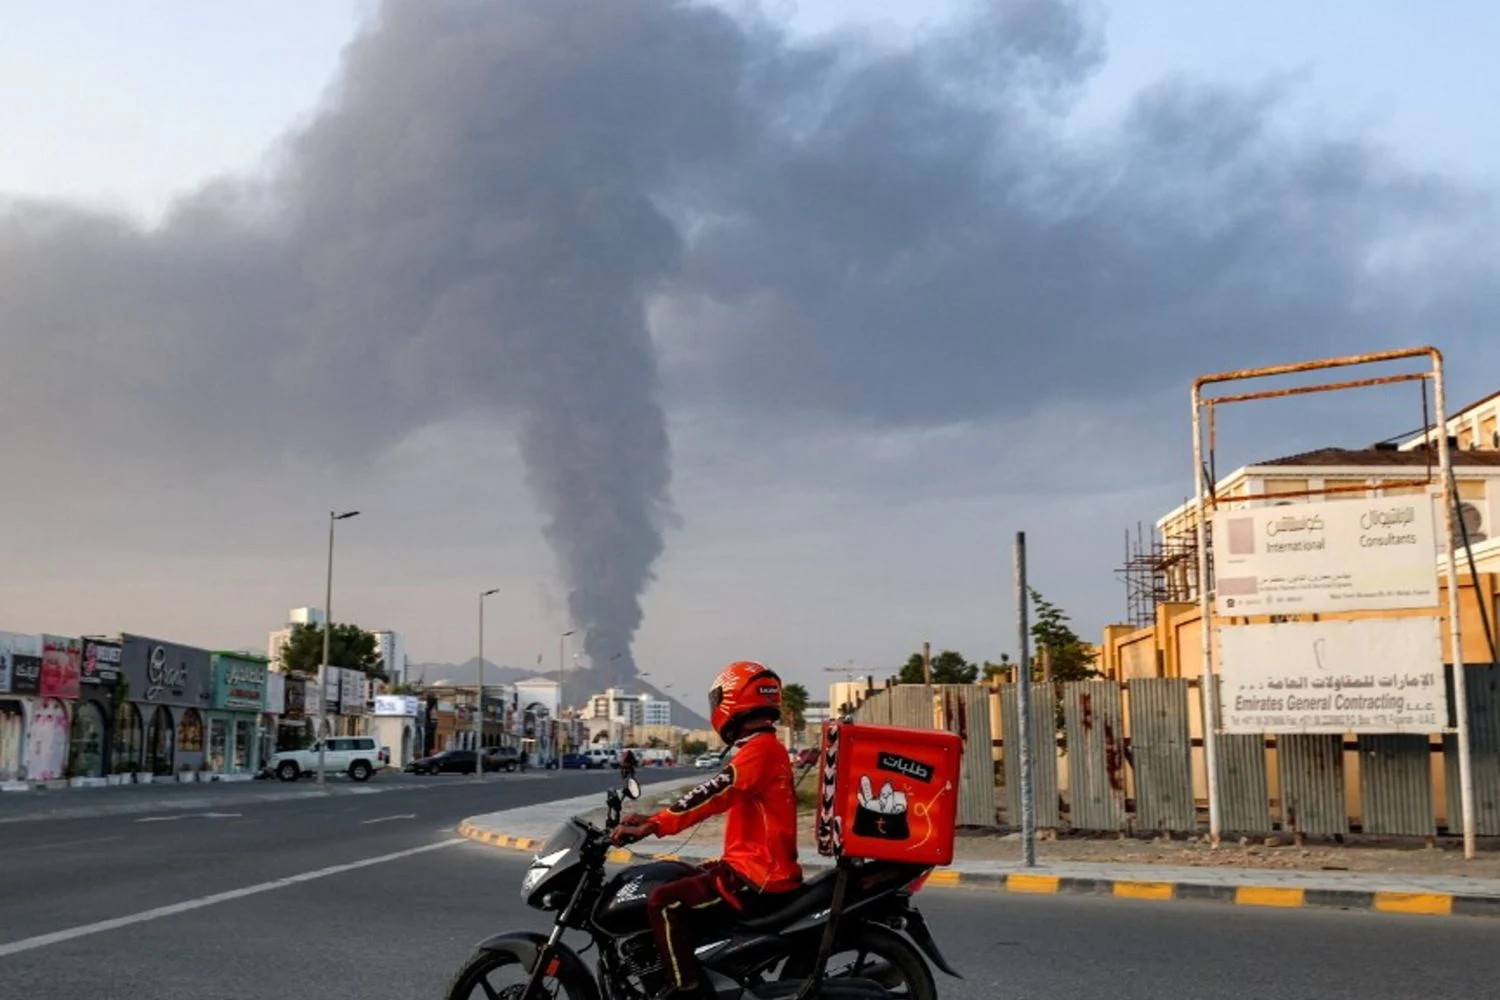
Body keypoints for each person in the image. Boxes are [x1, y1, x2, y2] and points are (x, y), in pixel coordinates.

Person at [611, 661, 803, 1000]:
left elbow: (711, 794)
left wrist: (656, 824)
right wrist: (654, 817)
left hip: (757, 878)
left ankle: (690, 991)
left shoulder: (760, 752)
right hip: (758, 869)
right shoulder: (764, 749)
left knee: (663, 902)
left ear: (734, 701)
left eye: (718, 699)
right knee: (680, 877)